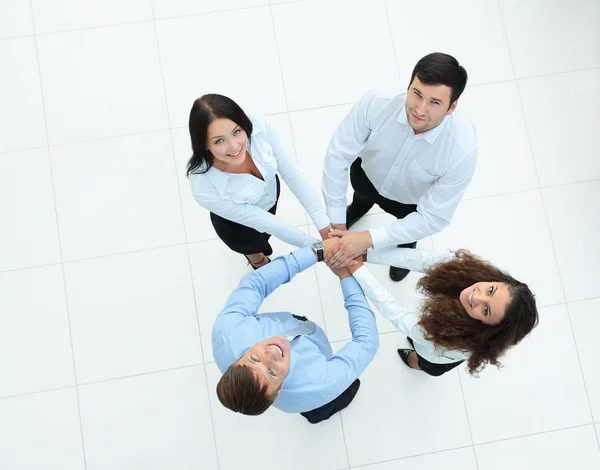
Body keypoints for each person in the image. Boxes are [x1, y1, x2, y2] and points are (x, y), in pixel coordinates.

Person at [321, 52, 477, 282]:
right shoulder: (378, 100)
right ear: (410, 84)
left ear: (452, 106)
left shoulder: (461, 150)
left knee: (408, 229)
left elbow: (432, 217)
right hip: (367, 174)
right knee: (361, 199)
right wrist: (336, 220)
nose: (420, 110)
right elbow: (338, 155)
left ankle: (405, 247)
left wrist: (368, 238)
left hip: (409, 201)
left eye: (435, 102)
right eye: (417, 94)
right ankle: (357, 209)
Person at [212, 238, 379, 423]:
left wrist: (317, 252)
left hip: (297, 328)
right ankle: (318, 412)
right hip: (314, 394)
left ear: (237, 362)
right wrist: (347, 277)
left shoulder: (227, 332)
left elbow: (255, 283)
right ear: (279, 390)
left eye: (254, 358)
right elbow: (366, 342)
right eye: (272, 372)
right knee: (321, 404)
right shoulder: (319, 383)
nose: (272, 352)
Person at [337, 234, 538, 376]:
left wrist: (358, 269)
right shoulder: (492, 270)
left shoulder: (444, 344)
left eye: (486, 310)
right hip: (433, 333)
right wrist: (366, 254)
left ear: (487, 327)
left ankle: (416, 363)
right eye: (491, 290)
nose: (477, 297)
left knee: (426, 362)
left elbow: (393, 310)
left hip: (436, 353)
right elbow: (426, 260)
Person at [187, 94, 332, 269]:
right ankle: (258, 262)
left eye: (236, 132)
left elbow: (292, 173)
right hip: (238, 226)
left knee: (265, 236)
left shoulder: (256, 124)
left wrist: (326, 229)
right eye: (219, 141)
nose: (234, 146)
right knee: (252, 246)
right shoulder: (204, 188)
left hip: (268, 199)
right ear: (203, 144)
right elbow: (266, 222)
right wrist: (320, 249)